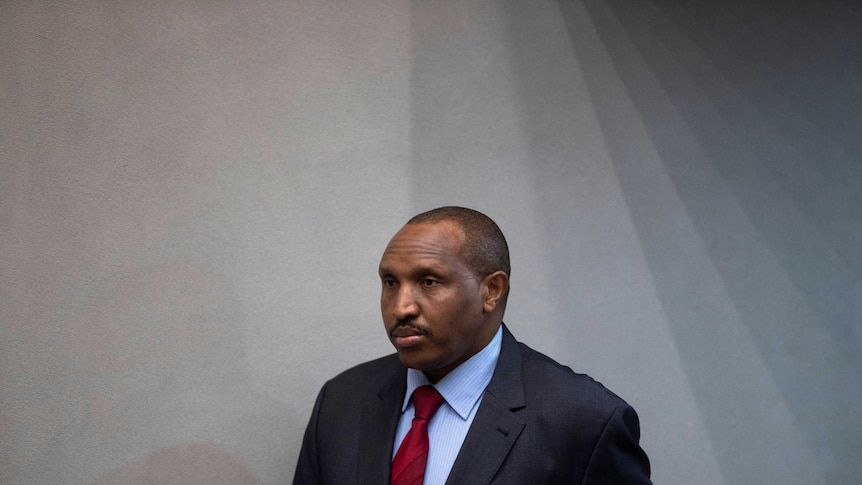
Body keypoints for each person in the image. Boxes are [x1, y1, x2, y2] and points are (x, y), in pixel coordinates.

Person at [293, 206, 651, 484]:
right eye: (390, 282)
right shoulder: (341, 402)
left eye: (429, 282)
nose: (401, 307)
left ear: (491, 291)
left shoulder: (585, 422)